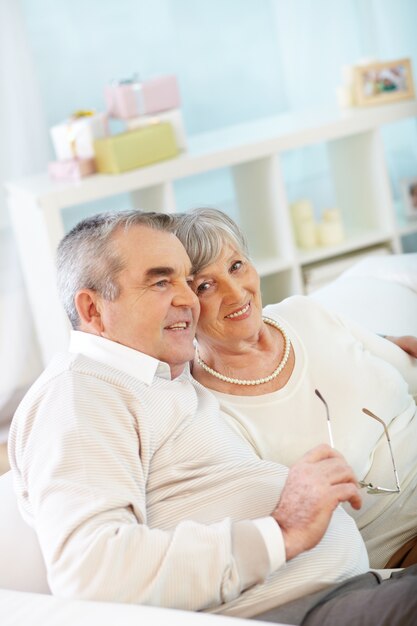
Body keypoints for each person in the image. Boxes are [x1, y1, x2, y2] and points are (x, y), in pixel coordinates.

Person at [7, 209, 417, 626]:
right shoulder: (79, 393)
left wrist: (385, 347)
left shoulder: (157, 380)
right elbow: (88, 570)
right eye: (161, 281)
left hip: (359, 587)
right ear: (92, 309)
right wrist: (282, 530)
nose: (188, 299)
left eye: (187, 281)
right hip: (311, 609)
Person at [173, 207, 417, 570]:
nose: (236, 291)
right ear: (182, 305)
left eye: (236, 266)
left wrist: (394, 344)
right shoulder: (209, 414)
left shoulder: (304, 313)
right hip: (398, 542)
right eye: (205, 286)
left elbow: (404, 373)